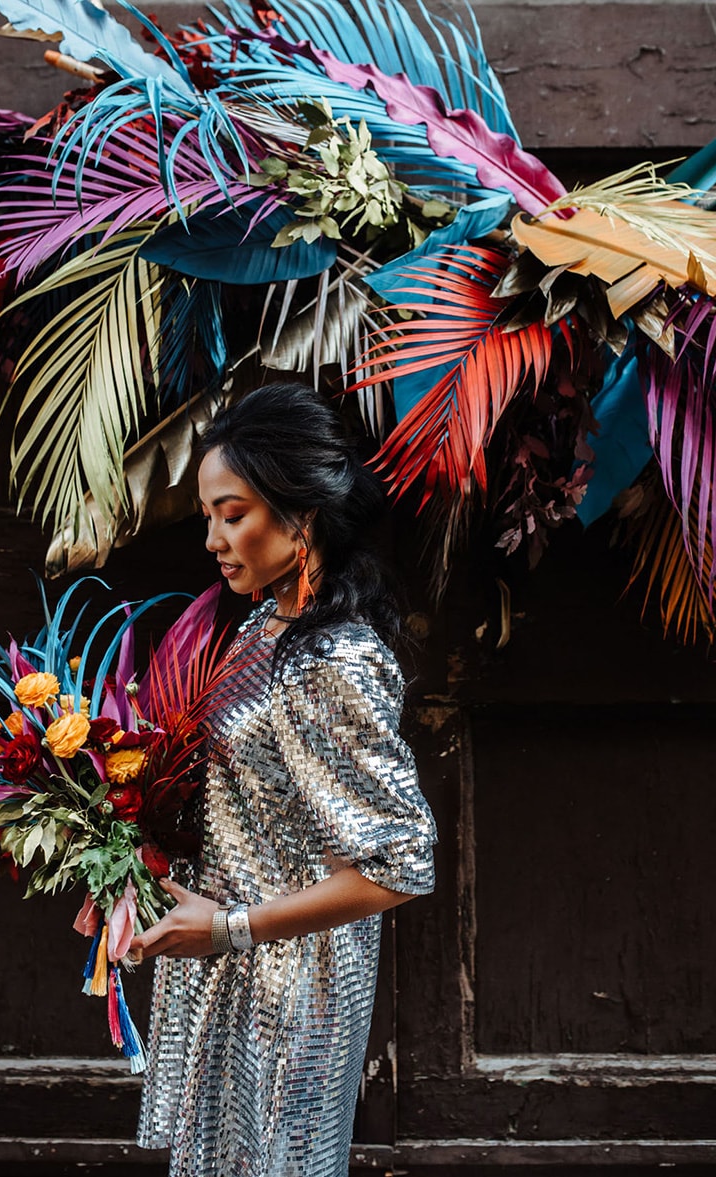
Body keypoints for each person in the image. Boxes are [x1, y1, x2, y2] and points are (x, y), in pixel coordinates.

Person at [129, 382, 437, 1177]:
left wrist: (230, 927)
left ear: (301, 516)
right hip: (234, 970)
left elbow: (399, 865)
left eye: (231, 514)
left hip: (293, 993)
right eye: (208, 516)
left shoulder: (335, 657)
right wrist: (134, 868)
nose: (213, 539)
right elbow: (247, 808)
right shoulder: (265, 625)